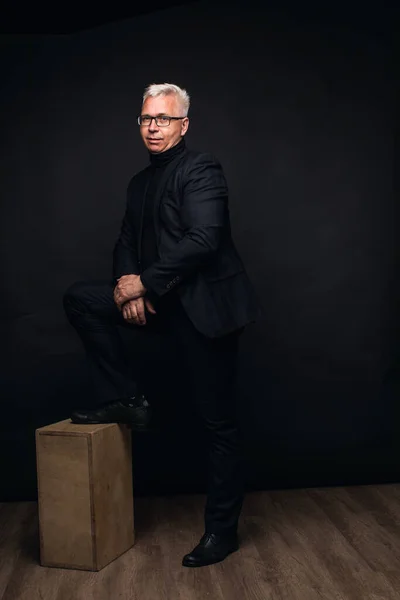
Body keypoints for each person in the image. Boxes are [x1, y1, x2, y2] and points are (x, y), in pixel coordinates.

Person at [63, 83, 262, 568]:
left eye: (164, 119)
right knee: (83, 300)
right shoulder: (138, 182)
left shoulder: (201, 169)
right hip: (161, 303)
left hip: (205, 310)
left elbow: (204, 239)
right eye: (147, 118)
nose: (154, 126)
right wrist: (126, 282)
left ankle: (222, 532)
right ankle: (130, 399)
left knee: (218, 426)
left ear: (183, 125)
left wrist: (145, 287)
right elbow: (126, 240)